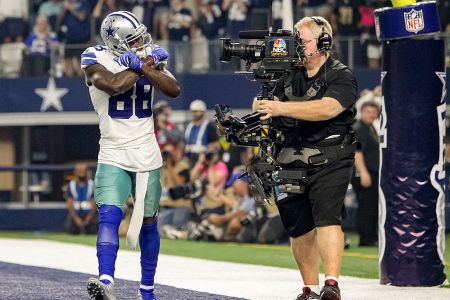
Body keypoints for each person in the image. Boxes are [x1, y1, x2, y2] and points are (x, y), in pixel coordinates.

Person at [254, 16, 357, 300]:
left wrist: (280, 109)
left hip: (330, 156)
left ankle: (332, 285)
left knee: (327, 219)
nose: (295, 45)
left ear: (323, 42)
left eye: (302, 40)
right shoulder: (286, 73)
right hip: (289, 156)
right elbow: (261, 105)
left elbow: (327, 109)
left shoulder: (341, 75)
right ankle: (310, 288)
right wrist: (265, 103)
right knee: (298, 228)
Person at [81, 10, 180, 300]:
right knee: (109, 215)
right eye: (134, 40)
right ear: (116, 42)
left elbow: (173, 89)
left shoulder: (147, 56)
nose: (141, 43)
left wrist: (146, 66)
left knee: (149, 221)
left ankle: (146, 292)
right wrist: (143, 66)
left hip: (147, 154)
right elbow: (111, 85)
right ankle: (106, 281)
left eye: (141, 38)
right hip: (113, 150)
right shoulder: (93, 56)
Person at [352, 101, 380, 247]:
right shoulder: (359, 128)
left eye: (374, 112)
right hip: (364, 173)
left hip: (372, 173)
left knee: (372, 207)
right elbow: (357, 151)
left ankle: (371, 237)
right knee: (366, 207)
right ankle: (366, 239)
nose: (372, 115)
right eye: (368, 112)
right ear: (362, 112)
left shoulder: (370, 128)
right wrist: (363, 172)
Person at [63, 163, 97, 234]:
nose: (82, 172)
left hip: (90, 214)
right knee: (69, 229)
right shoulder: (71, 185)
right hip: (75, 214)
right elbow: (70, 203)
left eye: (83, 170)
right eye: (79, 170)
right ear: (75, 172)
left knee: (95, 228)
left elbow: (94, 202)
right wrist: (76, 218)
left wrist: (89, 217)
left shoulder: (92, 184)